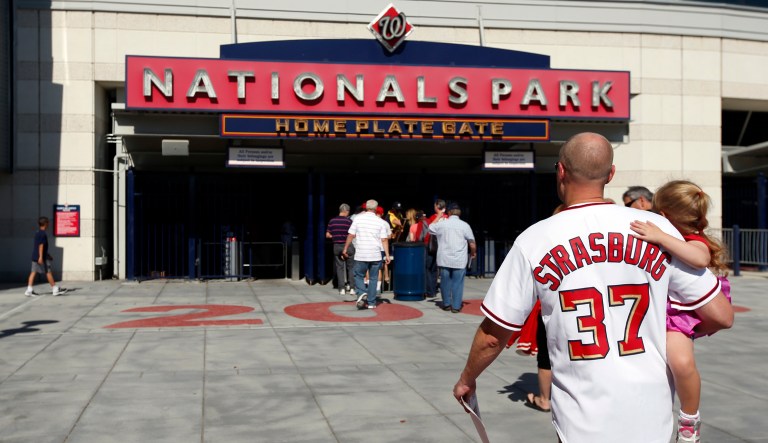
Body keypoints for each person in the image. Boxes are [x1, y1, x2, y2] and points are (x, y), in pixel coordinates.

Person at [453, 132, 733, 443]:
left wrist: (468, 378)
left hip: (581, 421)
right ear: (611, 174)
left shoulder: (535, 238)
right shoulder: (654, 230)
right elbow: (721, 314)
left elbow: (494, 337)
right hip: (651, 414)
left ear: (561, 171)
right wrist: (672, 332)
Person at [630, 180, 732, 443]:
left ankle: (689, 419)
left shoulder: (694, 240)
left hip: (678, 313)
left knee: (682, 363)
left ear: (663, 217)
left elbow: (700, 259)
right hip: (655, 307)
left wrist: (661, 236)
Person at [342, 199, 391, 309]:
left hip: (361, 253)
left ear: (365, 208)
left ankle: (361, 293)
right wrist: (387, 254)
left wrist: (345, 248)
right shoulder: (380, 222)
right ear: (376, 208)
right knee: (373, 278)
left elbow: (351, 235)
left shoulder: (358, 219)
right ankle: (372, 303)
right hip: (376, 254)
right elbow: (384, 239)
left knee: (358, 275)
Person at [429, 202, 476, 312]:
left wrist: (439, 216)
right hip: (459, 259)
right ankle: (455, 306)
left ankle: (446, 303)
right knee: (458, 283)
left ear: (449, 212)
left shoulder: (442, 225)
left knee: (445, 281)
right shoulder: (465, 225)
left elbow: (431, 228)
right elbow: (472, 243)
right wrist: (473, 252)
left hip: (444, 258)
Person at [26, 216, 65, 296]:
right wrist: (41, 257)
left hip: (35, 256)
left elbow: (38, 246)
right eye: (48, 223)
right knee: (48, 272)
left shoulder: (38, 233)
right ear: (45, 224)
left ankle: (29, 290)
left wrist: (47, 255)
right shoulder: (43, 234)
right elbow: (41, 245)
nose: (49, 224)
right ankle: (55, 289)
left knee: (33, 272)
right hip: (41, 257)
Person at [326, 203, 355, 296]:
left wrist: (334, 236)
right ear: (346, 211)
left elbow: (327, 235)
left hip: (337, 246)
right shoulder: (349, 221)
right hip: (348, 246)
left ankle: (341, 288)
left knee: (339, 267)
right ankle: (352, 288)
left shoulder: (332, 221)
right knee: (351, 267)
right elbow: (352, 234)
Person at [424, 199, 448, 298]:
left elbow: (430, 228)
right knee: (435, 269)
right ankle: (434, 289)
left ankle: (430, 291)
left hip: (432, 246)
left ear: (438, 207)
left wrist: (437, 217)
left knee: (429, 268)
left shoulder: (434, 217)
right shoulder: (449, 218)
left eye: (435, 206)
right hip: (443, 246)